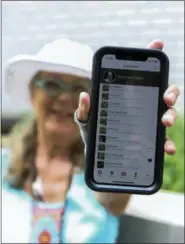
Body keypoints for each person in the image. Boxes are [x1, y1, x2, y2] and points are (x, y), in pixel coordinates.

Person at [2, 39, 180, 243]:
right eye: (52, 85)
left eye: (79, 88)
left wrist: (132, 121)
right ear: (33, 93)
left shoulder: (101, 170)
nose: (64, 98)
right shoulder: (2, 165)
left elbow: (112, 197)